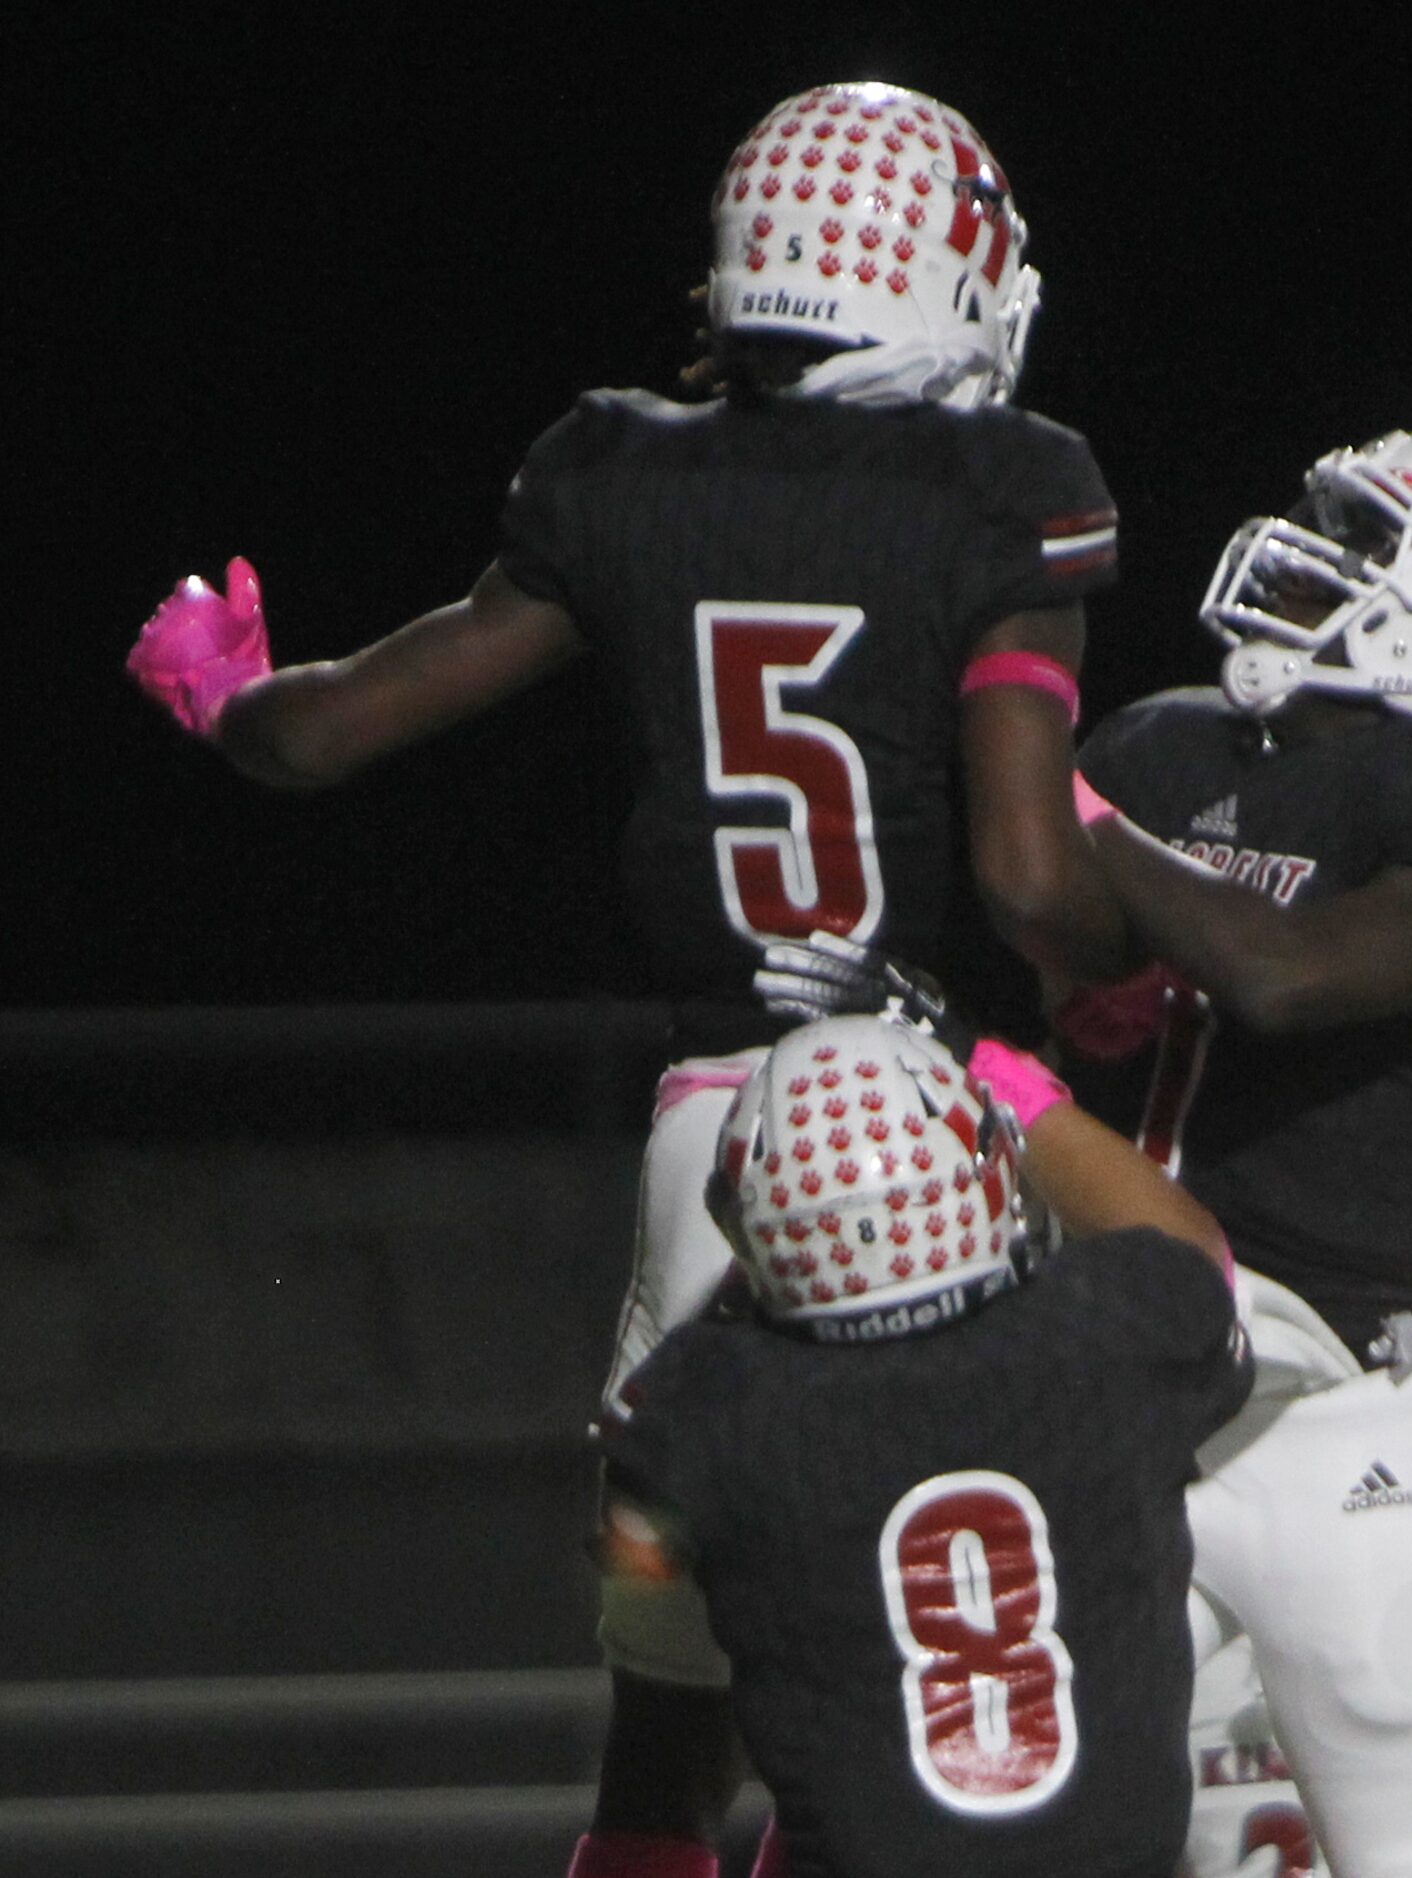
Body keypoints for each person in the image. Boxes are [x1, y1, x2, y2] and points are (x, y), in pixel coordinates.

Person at [125, 78, 1131, 1878]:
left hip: (715, 1143)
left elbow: (330, 728)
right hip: (934, 1127)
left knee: (669, 1739)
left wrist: (225, 697)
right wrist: (1117, 968)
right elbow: (1028, 872)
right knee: (966, 1666)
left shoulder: (625, 470)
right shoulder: (1009, 485)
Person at [1054, 425, 1412, 1878]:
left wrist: (1068, 813)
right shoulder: (1162, 739)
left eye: (1364, 539)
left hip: (1334, 1393)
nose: (1307, 550)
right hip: (1091, 1368)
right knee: (979, 1815)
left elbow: (1287, 979)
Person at [594, 1008, 1253, 1878]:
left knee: (666, 1719)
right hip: (1116, 1864)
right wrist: (1005, 1075)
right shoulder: (1109, 1331)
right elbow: (1198, 1259)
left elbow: (645, 1565)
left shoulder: (705, 1405)